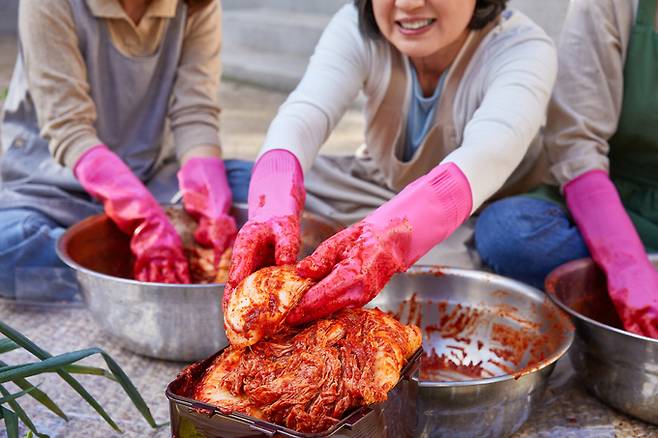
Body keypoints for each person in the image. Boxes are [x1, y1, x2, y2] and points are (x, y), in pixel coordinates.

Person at [225, 0, 557, 324]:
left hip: (485, 208)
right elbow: (304, 114)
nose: (409, 4)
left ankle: (415, 253)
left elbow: (491, 150)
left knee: (510, 236)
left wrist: (392, 236)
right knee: (241, 180)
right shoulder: (357, 26)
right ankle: (383, 247)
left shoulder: (524, 48)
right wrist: (273, 210)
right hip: (380, 189)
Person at [0, 0, 247, 301]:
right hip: (55, 190)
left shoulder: (196, 5)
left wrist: (212, 206)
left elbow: (195, 113)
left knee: (258, 188)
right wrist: (145, 221)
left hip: (154, 180)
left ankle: (112, 268)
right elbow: (69, 129)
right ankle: (138, 265)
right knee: (7, 246)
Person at [476, 0, 658, 338]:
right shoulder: (609, 6)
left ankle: (598, 296)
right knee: (508, 231)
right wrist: (626, 264)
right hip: (604, 196)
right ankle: (628, 283)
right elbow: (576, 142)